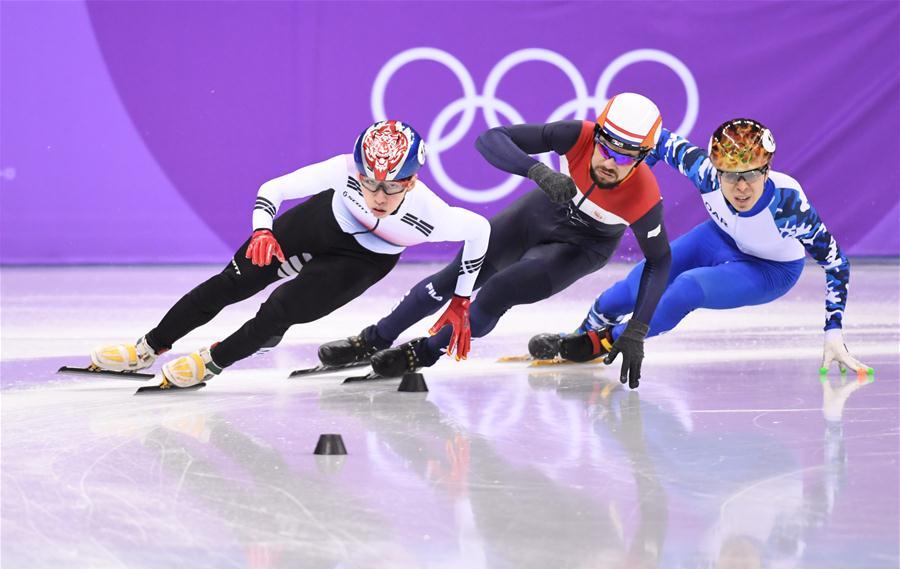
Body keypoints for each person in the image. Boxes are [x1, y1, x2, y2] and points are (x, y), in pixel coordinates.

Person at [88, 120, 490, 388]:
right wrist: (262, 229)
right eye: (369, 183)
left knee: (280, 309)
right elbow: (272, 188)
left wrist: (462, 297)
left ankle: (213, 362)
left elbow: (480, 232)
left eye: (392, 188)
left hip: (366, 258)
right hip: (322, 221)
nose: (378, 197)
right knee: (233, 282)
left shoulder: (433, 215)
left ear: (413, 180)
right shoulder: (341, 171)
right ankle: (147, 348)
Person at [319, 93, 672, 389]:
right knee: (456, 276)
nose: (610, 161)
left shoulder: (643, 197)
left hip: (582, 247)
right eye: (605, 148)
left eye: (625, 156)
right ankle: (374, 339)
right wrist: (538, 171)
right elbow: (489, 139)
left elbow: (659, 262)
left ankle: (423, 352)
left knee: (497, 291)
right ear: (596, 135)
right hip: (542, 210)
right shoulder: (577, 135)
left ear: (642, 158)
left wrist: (637, 329)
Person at [535, 118, 870, 375]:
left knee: (687, 288)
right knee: (630, 288)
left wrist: (833, 330)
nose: (740, 188)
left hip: (770, 268)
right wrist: (628, 187)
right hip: (720, 236)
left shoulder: (788, 206)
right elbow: (654, 137)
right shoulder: (705, 172)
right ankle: (578, 336)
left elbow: (836, 262)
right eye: (729, 175)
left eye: (751, 175)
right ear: (716, 171)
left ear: (767, 170)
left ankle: (604, 341)